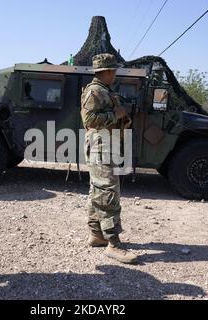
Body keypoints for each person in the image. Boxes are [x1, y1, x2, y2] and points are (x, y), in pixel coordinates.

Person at [80, 54, 138, 264]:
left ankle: (96, 235)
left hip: (106, 144)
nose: (115, 74)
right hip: (101, 145)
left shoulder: (104, 90)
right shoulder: (95, 91)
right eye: (113, 71)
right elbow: (90, 120)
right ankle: (113, 244)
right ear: (105, 71)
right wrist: (117, 114)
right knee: (107, 192)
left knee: (98, 189)